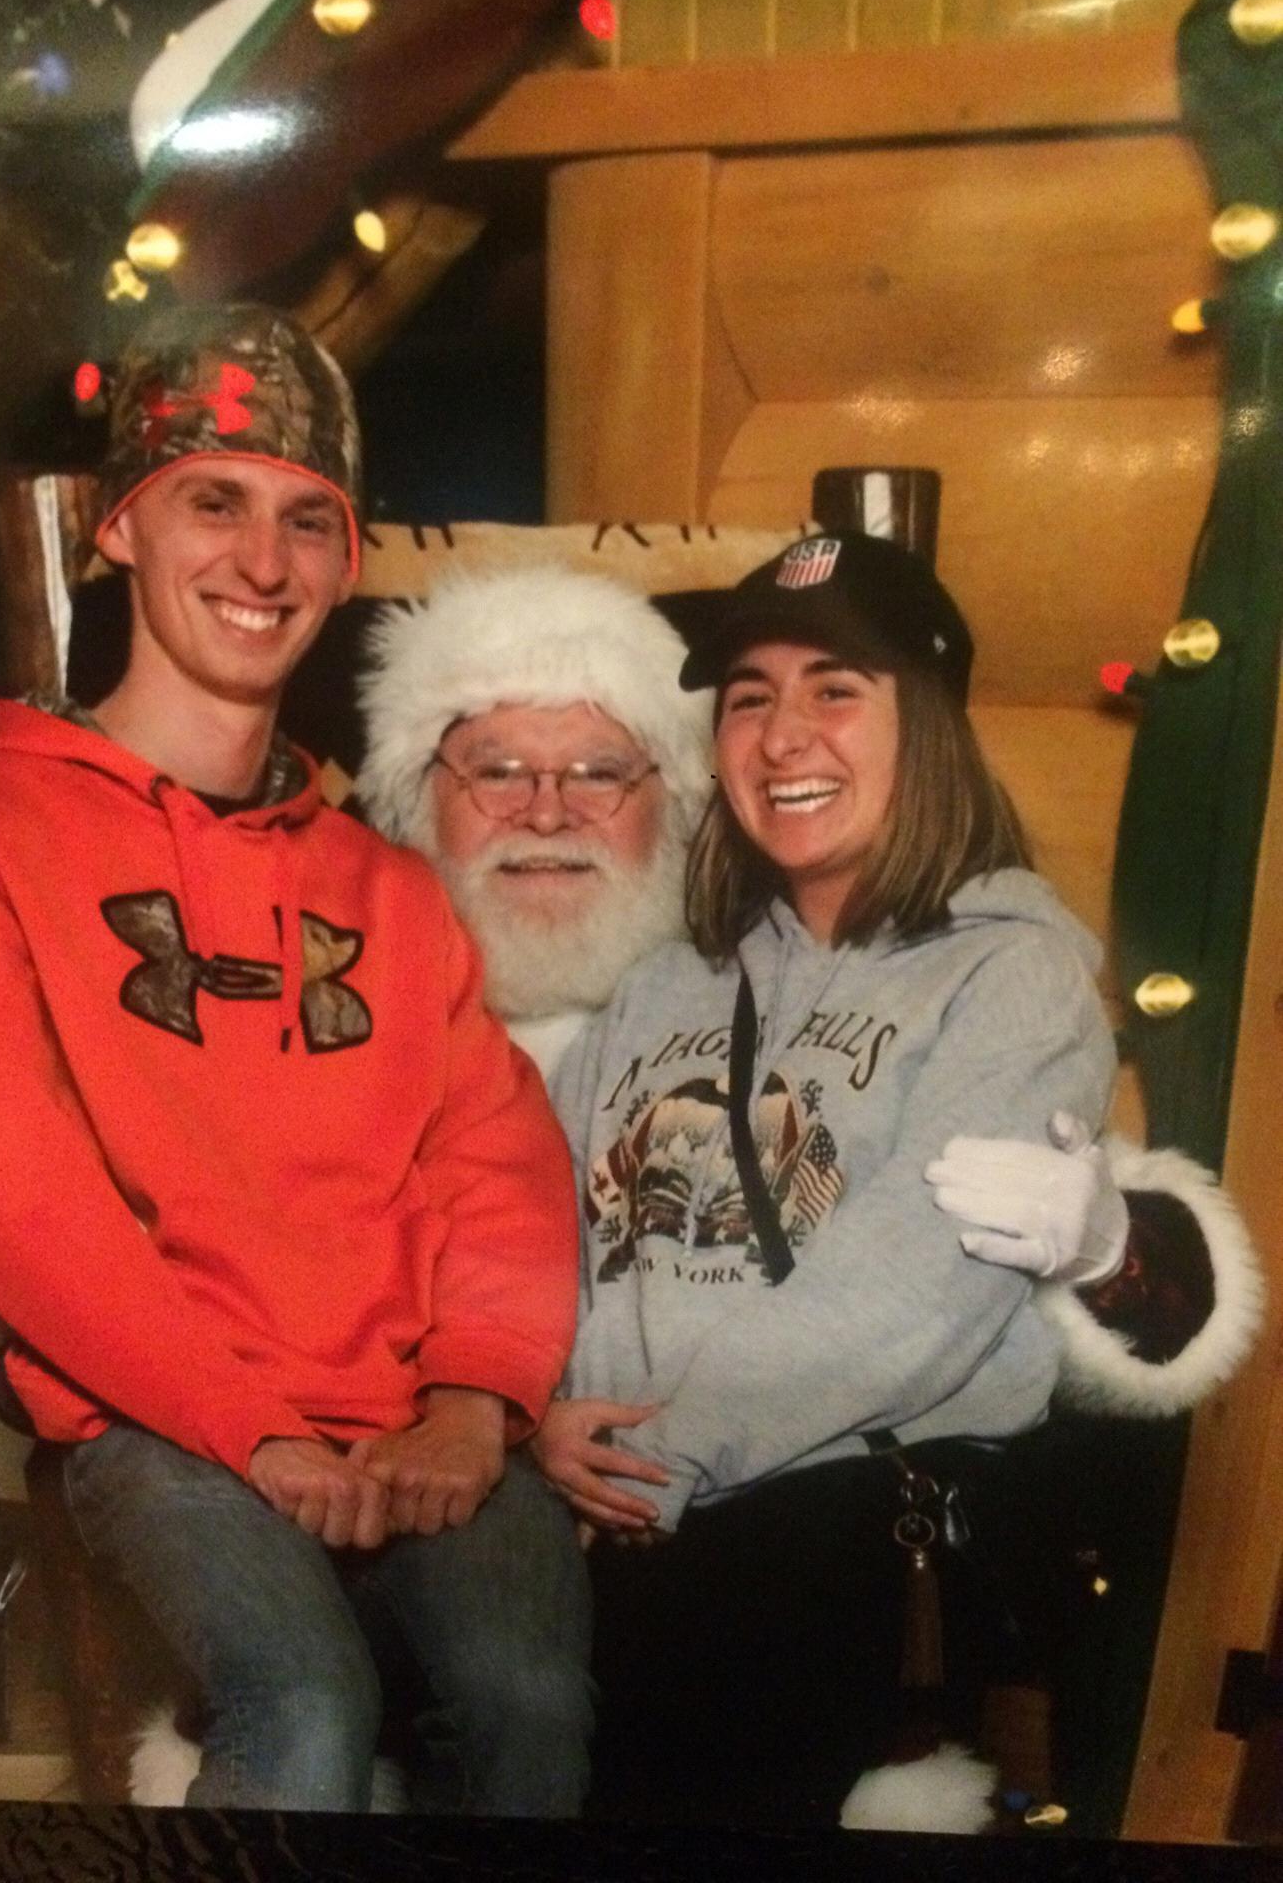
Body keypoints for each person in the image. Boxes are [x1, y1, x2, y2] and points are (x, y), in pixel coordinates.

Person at [0, 302, 593, 1816]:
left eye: (307, 521)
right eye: (214, 502)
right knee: (306, 1706)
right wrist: (247, 1427)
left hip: (411, 1418)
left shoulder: (387, 889)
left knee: (528, 1702)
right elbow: (14, 1199)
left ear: (345, 558)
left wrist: (474, 1398)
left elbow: (497, 1160)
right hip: (160, 1419)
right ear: (121, 526)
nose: (264, 564)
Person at [484, 532, 1191, 1828]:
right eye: (749, 696)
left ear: (928, 723)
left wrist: (663, 1459)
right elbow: (545, 1219)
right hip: (625, 1506)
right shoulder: (665, 982)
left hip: (837, 1538)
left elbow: (908, 1291)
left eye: (835, 689)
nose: (782, 736)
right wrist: (544, 1414)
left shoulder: (1010, 976)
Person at [354, 562, 1260, 1411]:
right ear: (411, 801)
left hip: (761, 1487)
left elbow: (950, 1257)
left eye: (601, 773)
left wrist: (1120, 1258)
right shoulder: (333, 1017)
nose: (548, 812)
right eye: (496, 772)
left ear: (674, 804)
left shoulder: (959, 977)